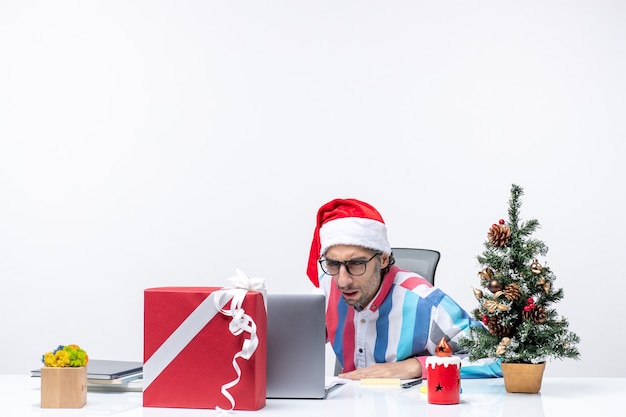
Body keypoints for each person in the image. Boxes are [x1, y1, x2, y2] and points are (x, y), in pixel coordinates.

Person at [306, 198, 502, 380]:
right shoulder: (327, 287)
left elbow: (500, 359)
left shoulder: (425, 303)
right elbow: (294, 346)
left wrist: (416, 366)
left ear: (383, 259)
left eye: (356, 264)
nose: (342, 281)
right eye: (333, 263)